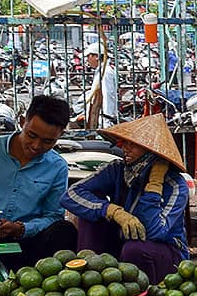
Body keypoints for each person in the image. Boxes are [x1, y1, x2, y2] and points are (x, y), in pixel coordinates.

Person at [61, 114, 190, 280]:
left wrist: (154, 185)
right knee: (90, 215)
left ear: (151, 150)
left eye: (132, 144)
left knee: (134, 249)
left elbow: (154, 231)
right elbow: (70, 195)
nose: (124, 148)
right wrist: (113, 211)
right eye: (125, 142)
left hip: (163, 252)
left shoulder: (175, 186)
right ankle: (89, 278)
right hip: (120, 242)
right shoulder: (117, 170)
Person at [0, 96, 73, 268]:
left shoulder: (58, 167)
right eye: (32, 135)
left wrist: (21, 229)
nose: (36, 145)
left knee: (64, 230)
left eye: (47, 141)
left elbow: (53, 216)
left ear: (60, 135)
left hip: (29, 246)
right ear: (22, 122)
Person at [78, 42, 119, 130]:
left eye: (88, 56)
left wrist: (107, 117)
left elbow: (108, 95)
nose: (87, 59)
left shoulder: (105, 71)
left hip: (104, 118)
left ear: (96, 56)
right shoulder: (100, 70)